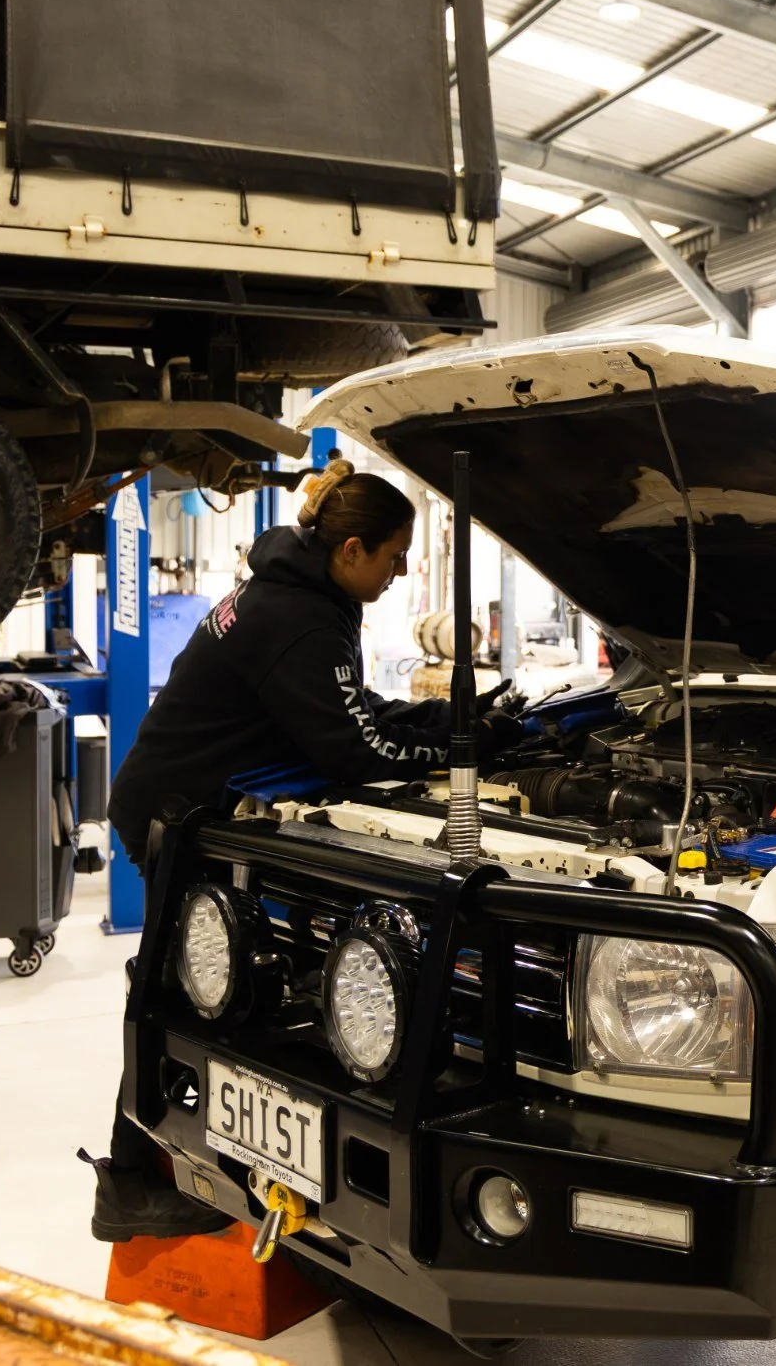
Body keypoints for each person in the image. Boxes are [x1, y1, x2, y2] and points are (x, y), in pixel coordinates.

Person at [85, 459, 521, 1241]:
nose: (398, 573)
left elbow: (344, 707)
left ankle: (218, 1158)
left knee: (220, 986)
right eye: (392, 558)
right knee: (178, 990)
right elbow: (354, 750)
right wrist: (465, 751)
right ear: (351, 549)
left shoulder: (301, 593)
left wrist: (446, 717)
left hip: (191, 801)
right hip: (178, 814)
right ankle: (128, 1184)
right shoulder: (299, 616)